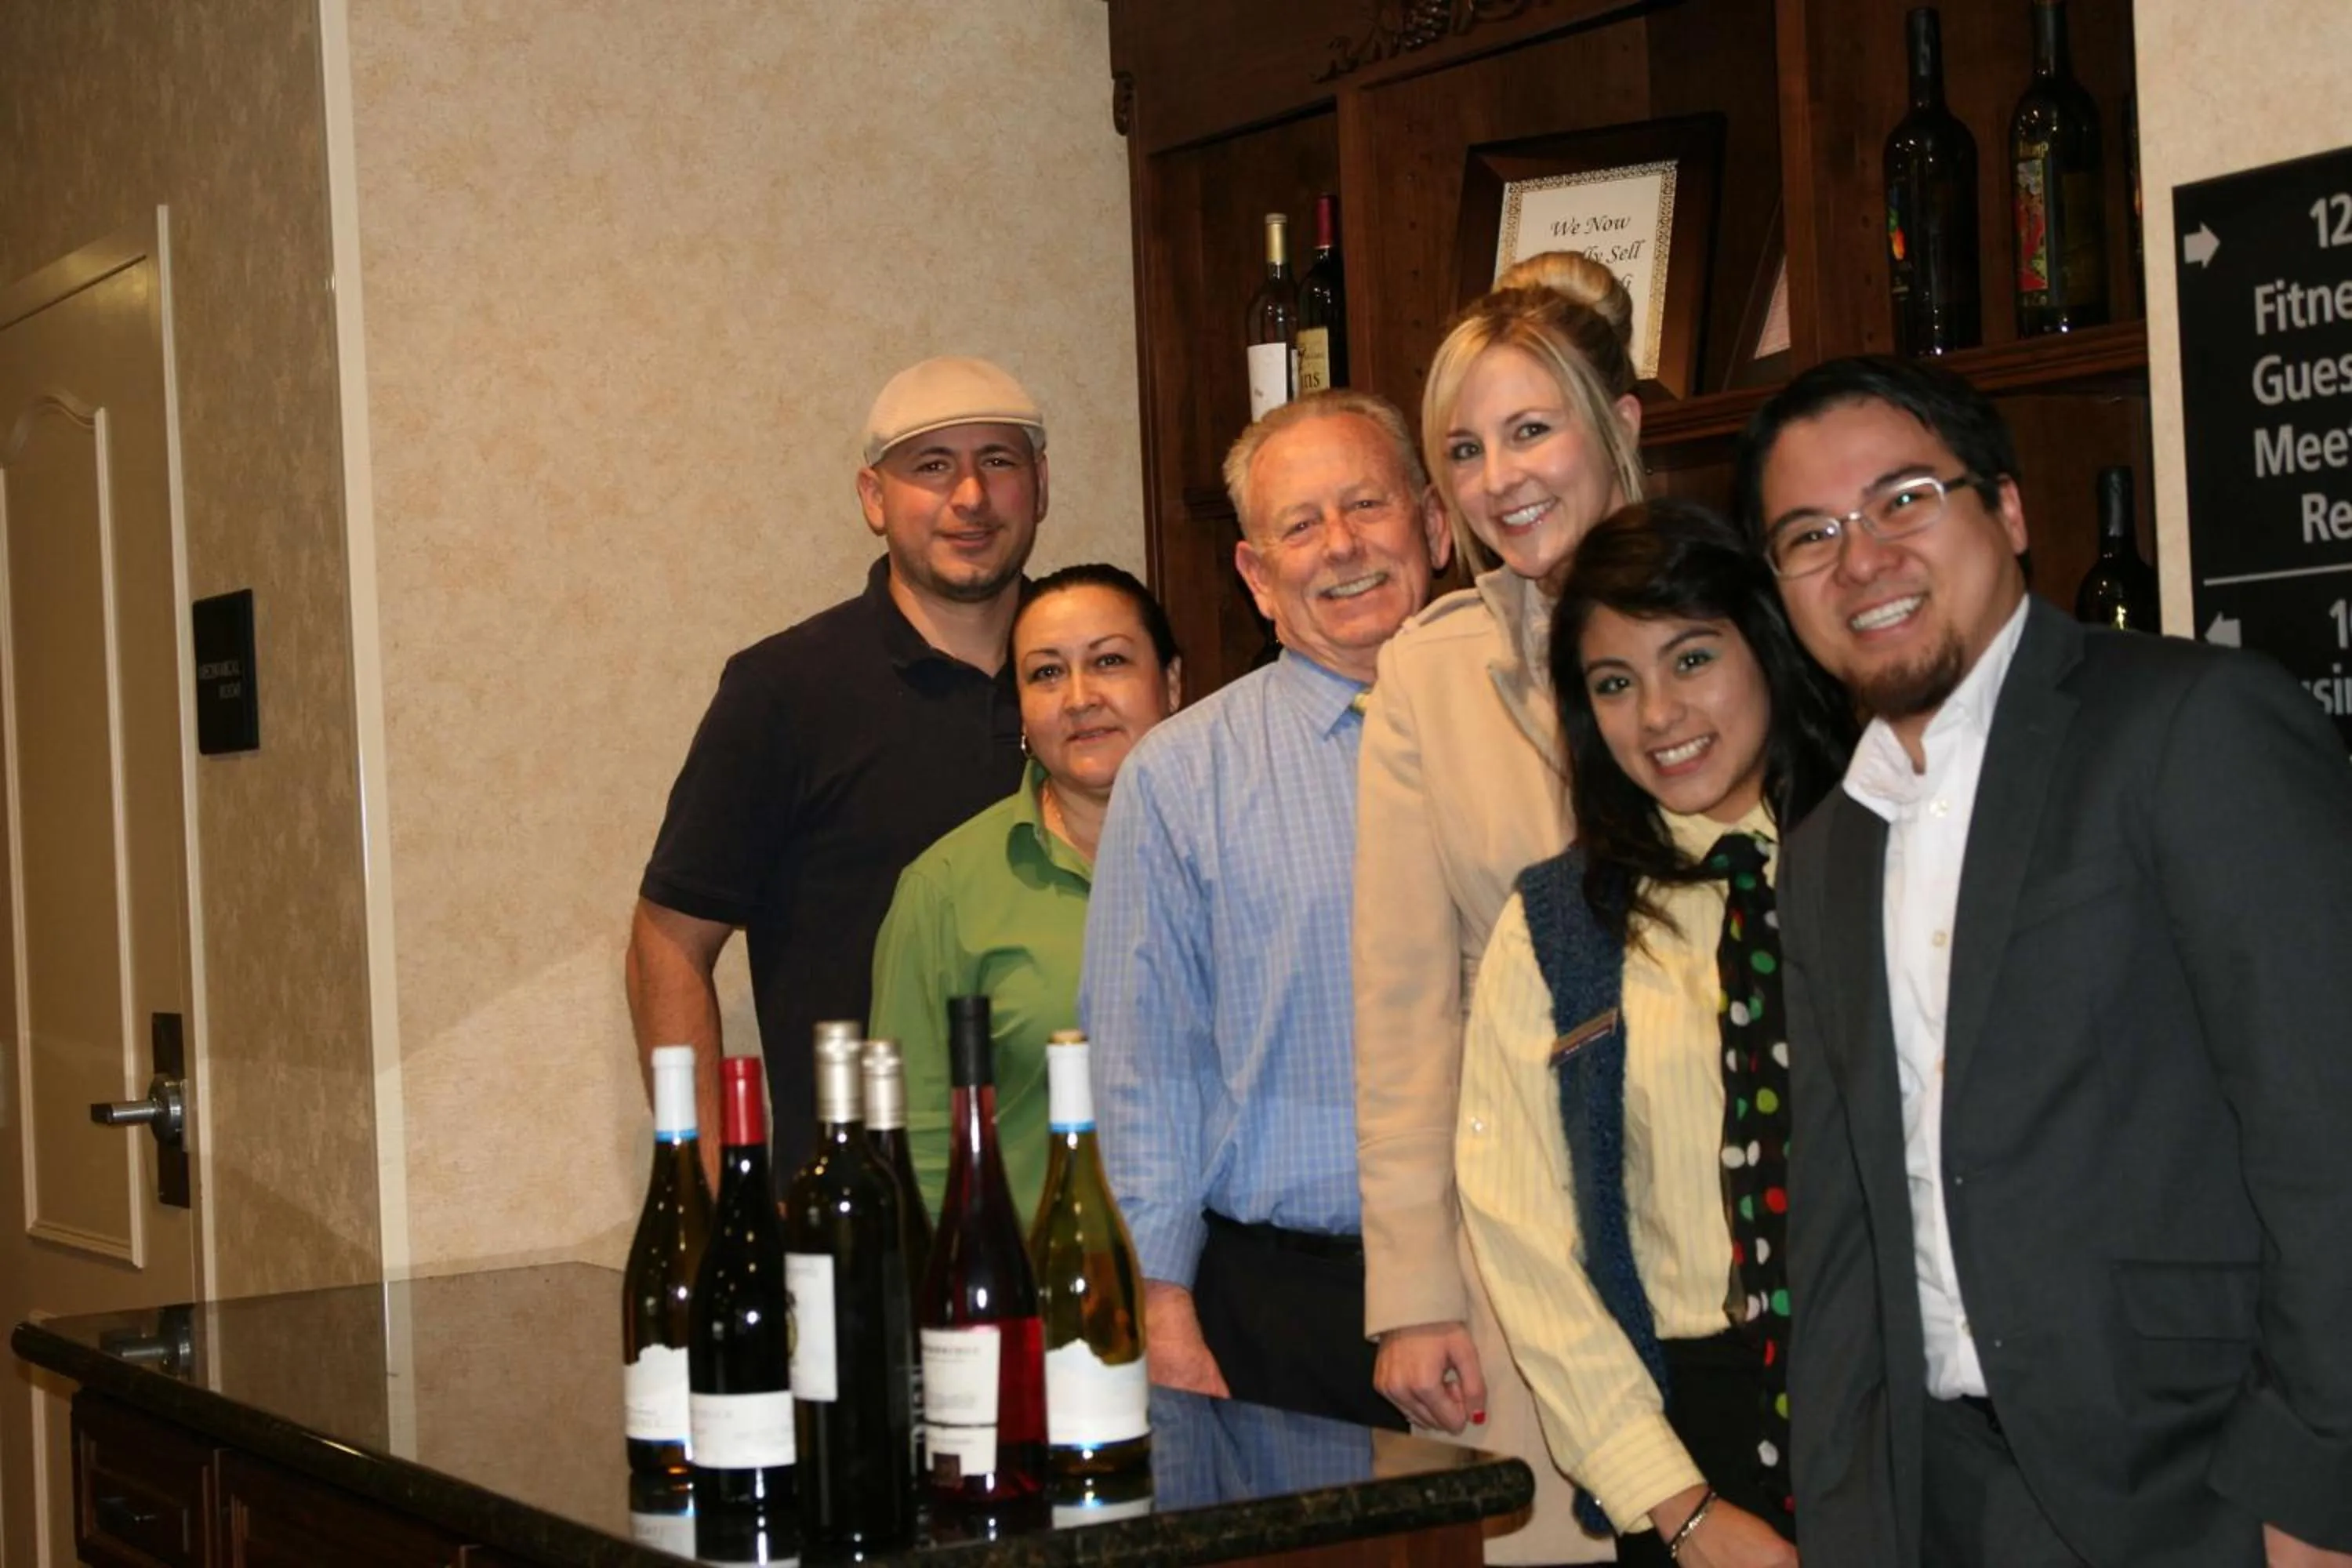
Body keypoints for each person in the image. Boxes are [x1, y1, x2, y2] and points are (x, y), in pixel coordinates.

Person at [1739, 354, 2352, 1567]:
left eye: (1905, 499)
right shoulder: (1820, 855)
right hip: (1940, 1502)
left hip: (2206, 1492)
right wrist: (1847, 1512)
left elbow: (2325, 1131)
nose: (1861, 559)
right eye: (1810, 534)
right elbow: (1843, 1227)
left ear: (2008, 511)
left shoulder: (2191, 726)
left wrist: (2318, 1494)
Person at [1457, 501, 1852, 1568]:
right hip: (1695, 1436)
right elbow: (1525, 1242)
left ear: (1768, 646)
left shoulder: (1885, 861)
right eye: (1616, 683)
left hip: (1902, 1412)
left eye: (1692, 658)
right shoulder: (1556, 929)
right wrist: (1674, 1505)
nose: (1660, 713)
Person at [1352, 251, 1644, 1563]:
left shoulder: (1760, 615)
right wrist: (1413, 1293)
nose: (1500, 479)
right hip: (1530, 1240)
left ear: (1621, 426)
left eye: (1532, 430)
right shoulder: (1426, 673)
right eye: (1464, 450)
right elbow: (1407, 1004)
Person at [1083, 390, 1450, 1429]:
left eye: (1367, 505)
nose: (1342, 547)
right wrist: (1159, 1303)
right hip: (1287, 1310)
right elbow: (1143, 1065)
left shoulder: (1543, 725)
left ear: (1431, 523)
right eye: (1300, 524)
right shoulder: (1180, 776)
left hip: (1521, 1282)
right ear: (1255, 573)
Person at [626, 356, 1045, 1180]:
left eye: (998, 460)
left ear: (1040, 483)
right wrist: (715, 1200)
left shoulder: (1094, 673)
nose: (970, 496)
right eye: (932, 465)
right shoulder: (785, 691)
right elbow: (666, 942)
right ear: (872, 497)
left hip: (1072, 1211)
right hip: (856, 1224)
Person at [869, 564, 1182, 1222]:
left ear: (1172, 684)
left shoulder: (1240, 852)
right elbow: (917, 1152)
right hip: (1035, 1302)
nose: (1078, 697)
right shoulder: (946, 890)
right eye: (1046, 673)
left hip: (1237, 1294)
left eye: (1110, 661)